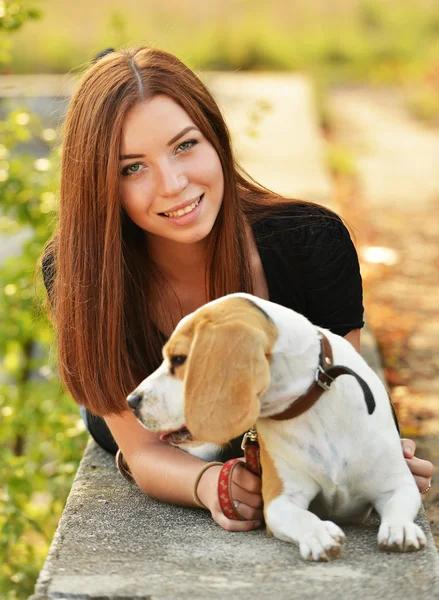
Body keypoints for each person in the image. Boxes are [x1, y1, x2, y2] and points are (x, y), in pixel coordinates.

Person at [41, 46, 433, 532]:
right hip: (144, 417)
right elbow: (142, 451)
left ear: (216, 139)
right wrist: (209, 482)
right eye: (131, 167)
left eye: (185, 145)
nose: (174, 183)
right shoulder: (80, 270)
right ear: (100, 184)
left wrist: (375, 463)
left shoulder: (311, 243)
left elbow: (339, 407)